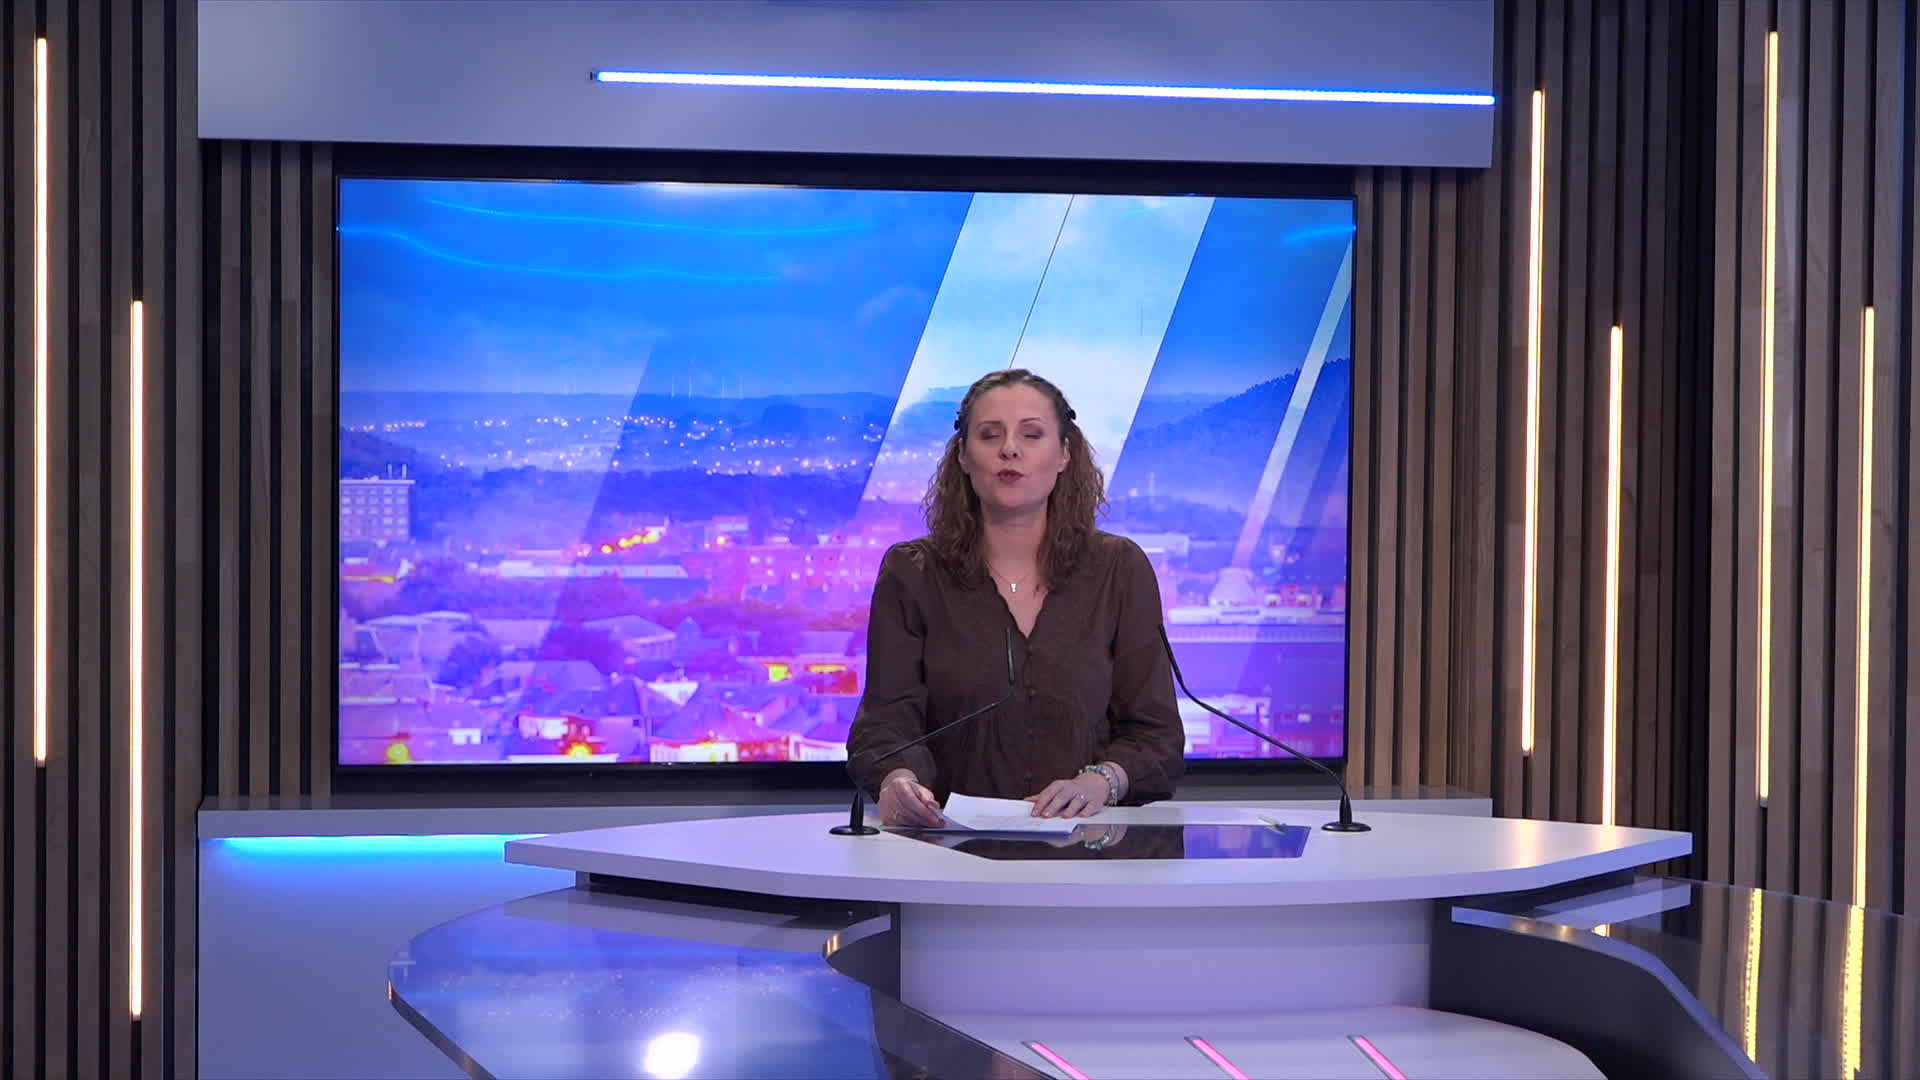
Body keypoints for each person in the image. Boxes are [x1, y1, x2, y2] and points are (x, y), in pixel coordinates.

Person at [846, 368, 1185, 826]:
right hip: (947, 845)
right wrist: (898, 779)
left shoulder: (1119, 570)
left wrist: (1102, 781)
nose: (1010, 449)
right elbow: (885, 723)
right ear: (963, 457)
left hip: (1088, 847)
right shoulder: (913, 573)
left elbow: (1157, 737)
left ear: (1064, 454)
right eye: (990, 435)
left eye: (1031, 434)